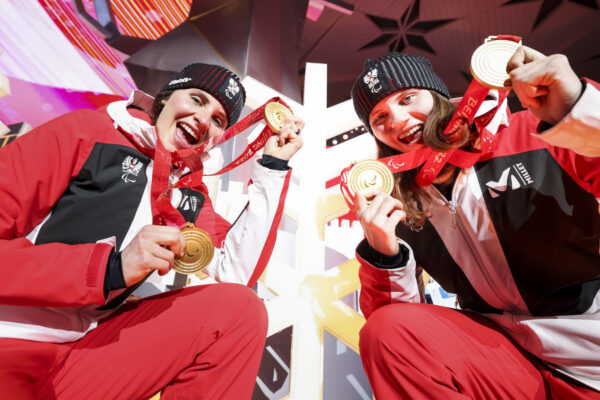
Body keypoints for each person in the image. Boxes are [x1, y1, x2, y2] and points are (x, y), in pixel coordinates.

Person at [0, 63, 304, 399]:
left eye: (218, 120)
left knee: (239, 311)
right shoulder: (88, 131)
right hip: (11, 337)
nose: (204, 120)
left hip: (83, 354)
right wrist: (109, 270)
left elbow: (236, 272)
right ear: (166, 98)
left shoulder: (186, 195)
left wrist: (273, 167)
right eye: (198, 100)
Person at [350, 46, 600, 399]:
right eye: (379, 119)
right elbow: (401, 340)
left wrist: (579, 110)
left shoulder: (533, 131)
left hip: (590, 348)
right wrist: (385, 255)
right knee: (386, 330)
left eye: (407, 99)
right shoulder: (402, 206)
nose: (396, 120)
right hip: (503, 360)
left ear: (438, 95)